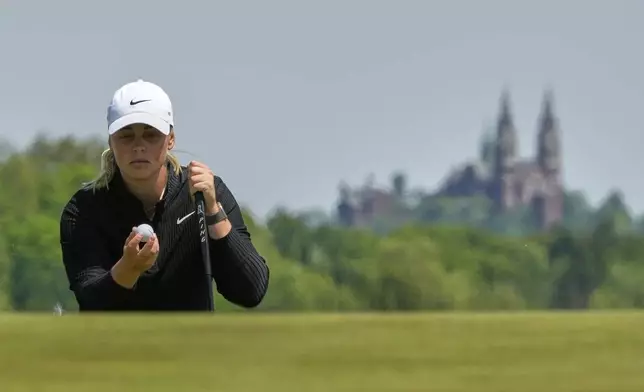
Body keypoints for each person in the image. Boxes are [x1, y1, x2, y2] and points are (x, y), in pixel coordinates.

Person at [59, 79, 270, 311]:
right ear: (111, 141)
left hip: (191, 344)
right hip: (116, 346)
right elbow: (91, 300)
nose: (139, 146)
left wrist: (213, 212)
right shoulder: (84, 209)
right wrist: (129, 267)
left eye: (151, 135)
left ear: (171, 139)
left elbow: (251, 291)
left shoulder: (205, 193)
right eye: (126, 136)